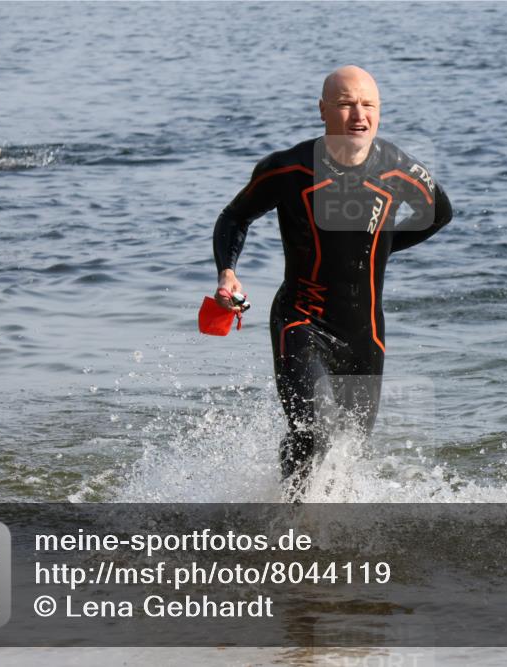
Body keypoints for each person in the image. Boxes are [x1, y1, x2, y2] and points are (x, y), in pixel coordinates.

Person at [211, 65, 453, 498]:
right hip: (302, 324)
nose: (358, 114)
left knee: (346, 451)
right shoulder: (290, 169)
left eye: (368, 105)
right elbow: (235, 216)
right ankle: (286, 526)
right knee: (317, 434)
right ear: (323, 110)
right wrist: (227, 271)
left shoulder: (399, 169)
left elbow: (440, 214)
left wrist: (382, 246)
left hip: (366, 337)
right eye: (345, 104)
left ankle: (326, 539)